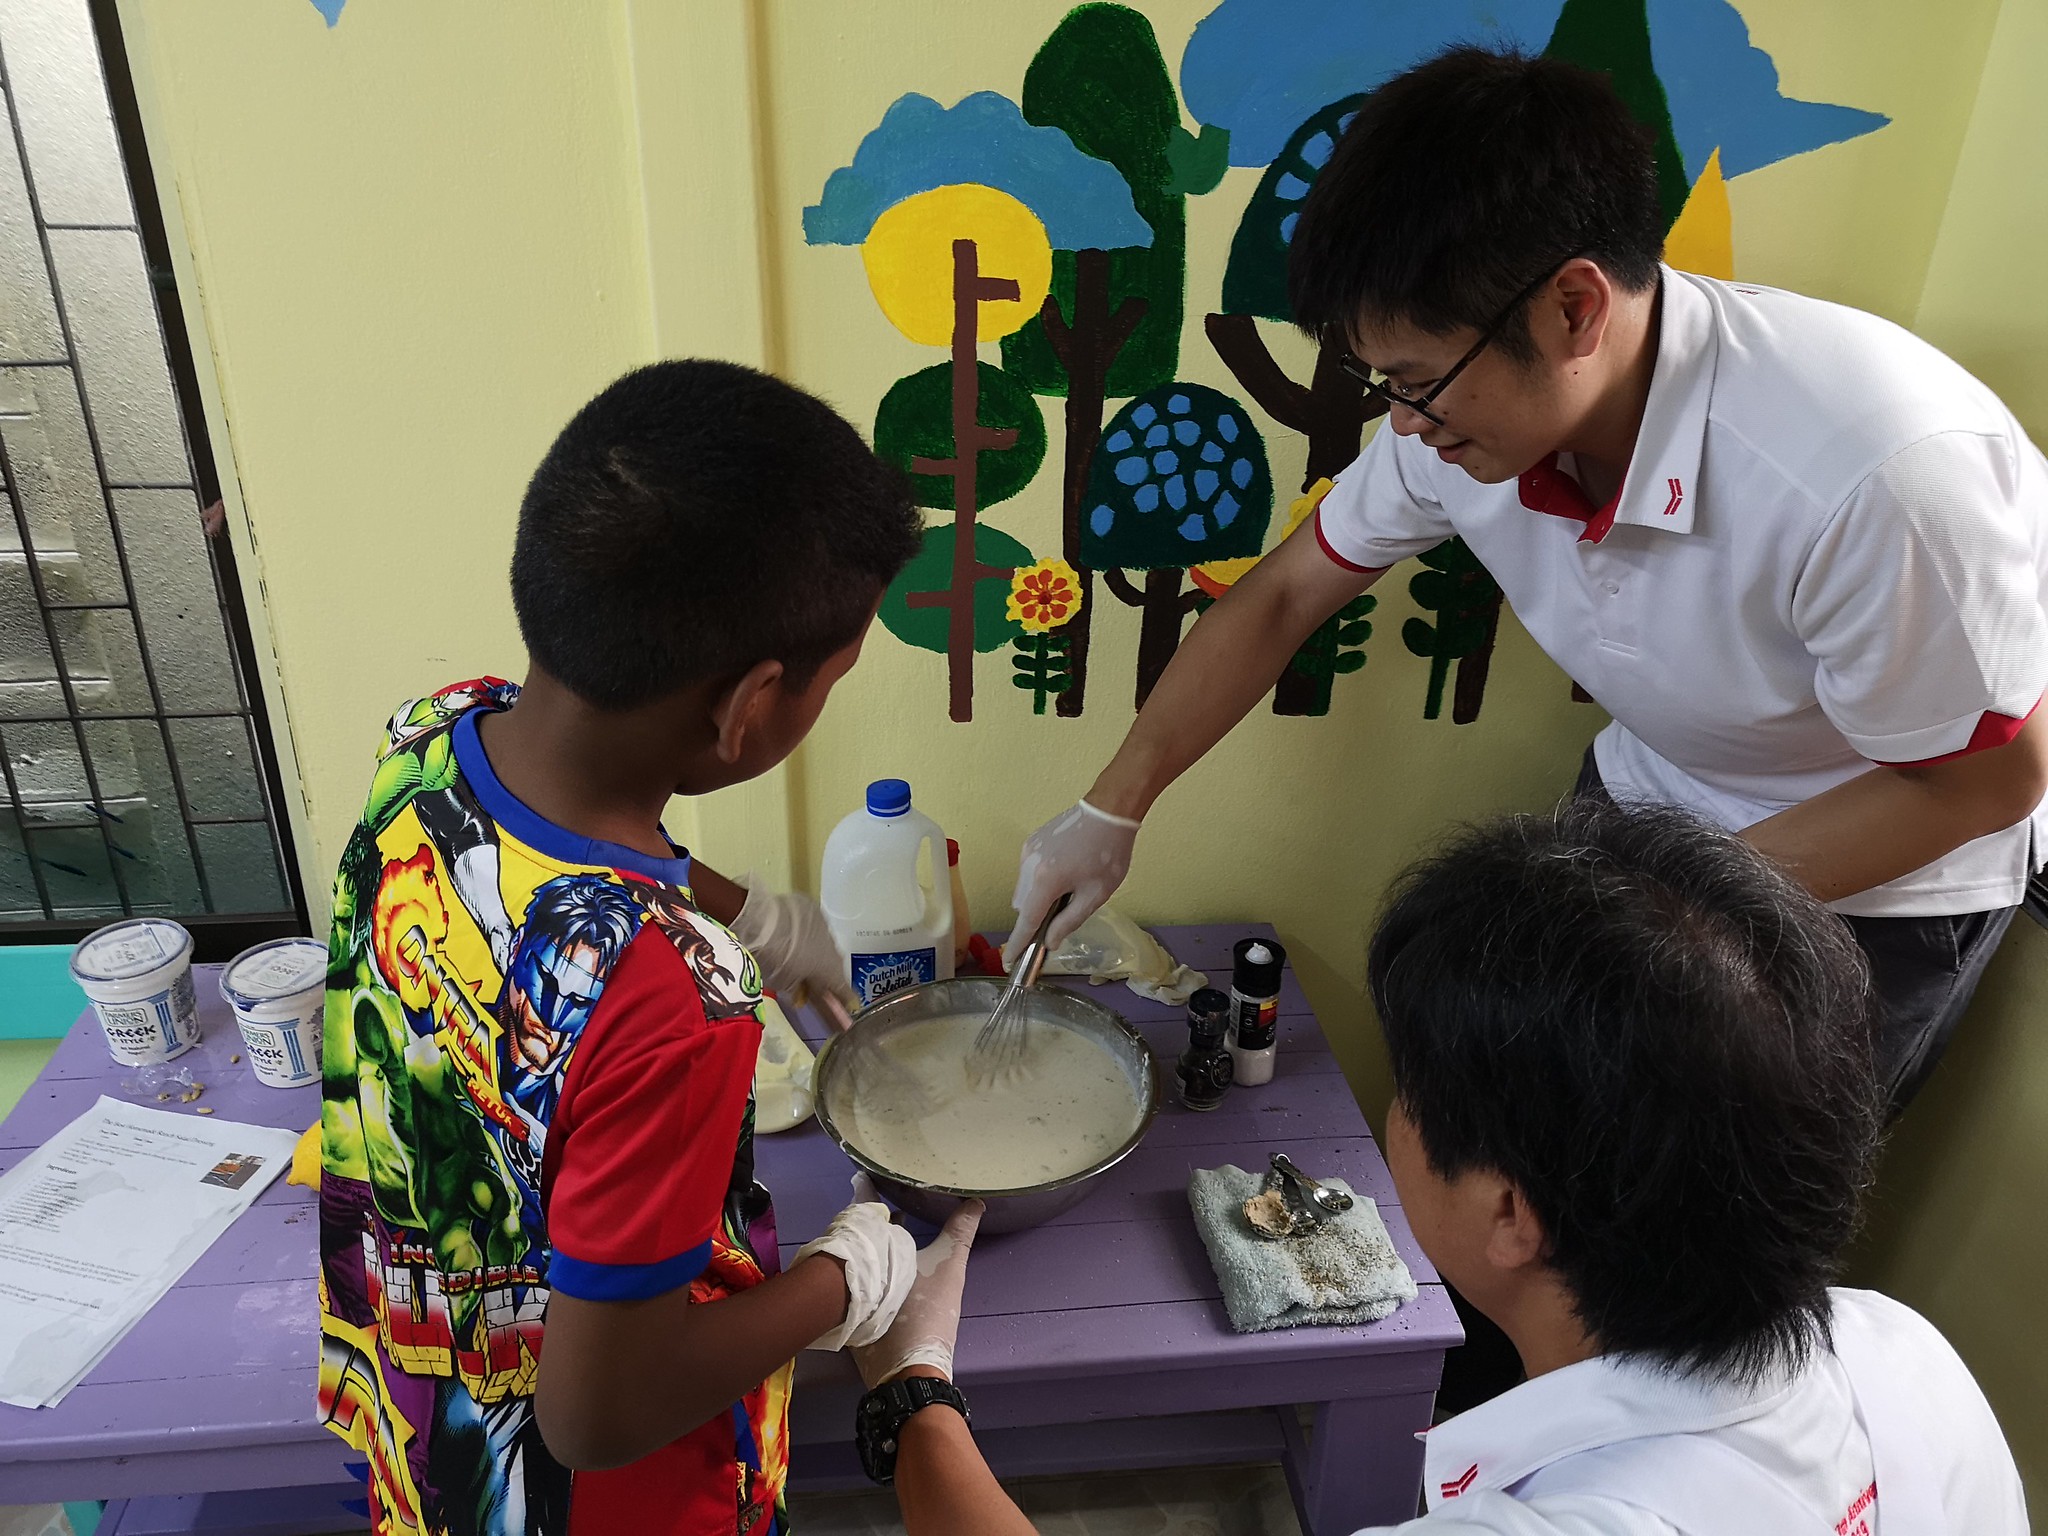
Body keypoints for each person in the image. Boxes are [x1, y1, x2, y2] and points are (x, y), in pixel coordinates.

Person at [1010, 46, 2048, 1120]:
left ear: (1571, 310)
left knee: (1698, 1210)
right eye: (1384, 385)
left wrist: (1639, 913)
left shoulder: (1870, 475)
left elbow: (1980, 785)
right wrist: (1109, 806)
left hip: (1874, 876)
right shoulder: (1457, 425)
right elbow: (1281, 596)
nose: (1402, 427)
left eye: (1418, 384)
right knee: (1529, 1134)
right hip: (1651, 808)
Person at [862, 801, 2028, 1534]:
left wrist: (912, 1384)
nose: (1390, 1111)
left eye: (1408, 1089)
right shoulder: (1900, 1350)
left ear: (1508, 1212)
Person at [317, 359, 930, 1535]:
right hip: (608, 1499)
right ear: (750, 704)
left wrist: (747, 908)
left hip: (421, 1394)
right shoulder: (675, 1007)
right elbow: (597, 1415)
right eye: (831, 682)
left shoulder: (439, 730)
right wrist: (837, 1280)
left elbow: (552, 859)